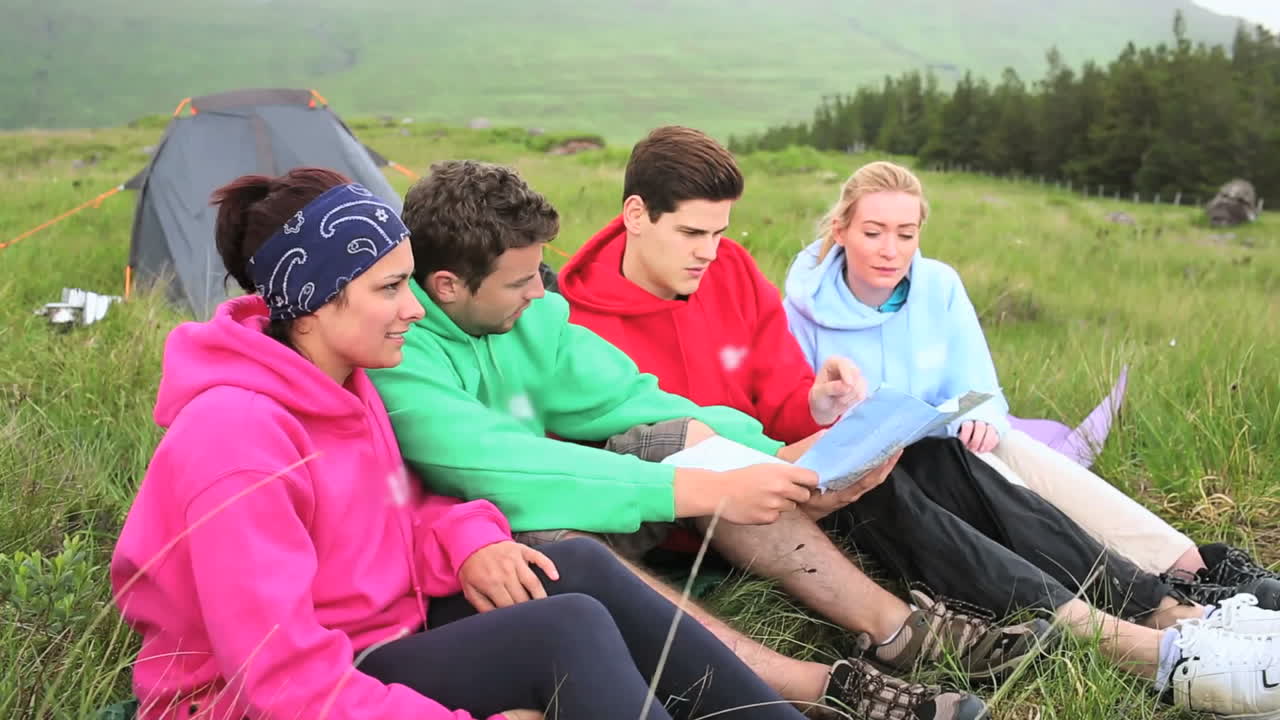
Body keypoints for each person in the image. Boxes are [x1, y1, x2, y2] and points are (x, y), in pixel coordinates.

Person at [556, 127, 1280, 716]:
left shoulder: (734, 269)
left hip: (787, 460)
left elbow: (777, 389)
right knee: (892, 484)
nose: (710, 253)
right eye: (693, 234)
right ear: (635, 215)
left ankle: (1165, 611)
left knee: (927, 453)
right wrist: (784, 456)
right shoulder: (572, 323)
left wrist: (820, 402)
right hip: (712, 517)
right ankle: (1131, 644)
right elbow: (637, 458)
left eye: (720, 233)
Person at [110, 167, 847, 720]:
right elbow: (281, 679)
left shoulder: (341, 383)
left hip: (378, 631)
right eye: (390, 290)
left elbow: (401, 506)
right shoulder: (236, 440)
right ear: (312, 305)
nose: (412, 310)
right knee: (564, 633)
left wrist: (466, 539)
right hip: (277, 691)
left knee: (574, 570)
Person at [368, 160, 991, 720]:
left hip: (556, 512)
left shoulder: (530, 316)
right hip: (480, 551)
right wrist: (700, 489)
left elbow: (630, 397)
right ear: (448, 285)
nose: (540, 291)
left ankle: (898, 630)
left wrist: (769, 456)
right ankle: (823, 689)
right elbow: (504, 468)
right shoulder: (398, 352)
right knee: (556, 543)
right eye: (520, 281)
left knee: (682, 436)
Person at [780, 159, 1280, 610]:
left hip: (946, 440)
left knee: (1017, 451)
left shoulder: (939, 286)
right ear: (842, 230)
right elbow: (795, 417)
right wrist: (824, 405)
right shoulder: (802, 308)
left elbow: (981, 388)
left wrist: (979, 416)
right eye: (873, 232)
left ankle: (1196, 567)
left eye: (906, 234)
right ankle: (1137, 596)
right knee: (1010, 490)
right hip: (880, 476)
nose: (891, 251)